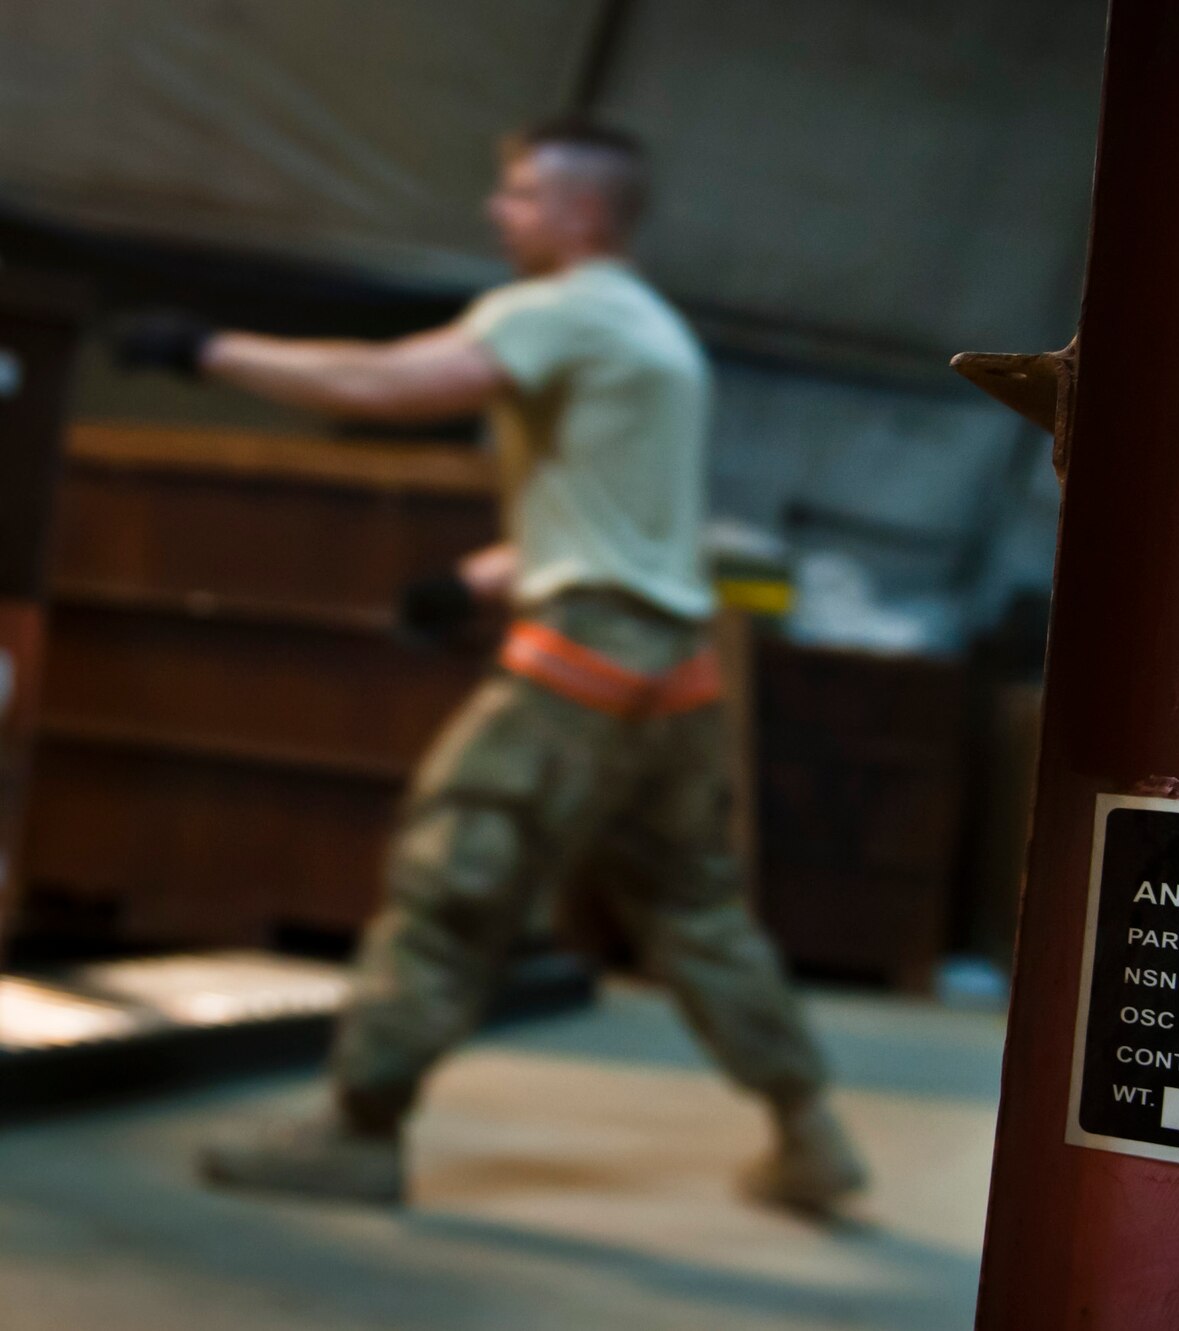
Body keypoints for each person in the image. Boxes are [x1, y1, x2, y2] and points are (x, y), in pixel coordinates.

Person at [112, 117, 865, 1211]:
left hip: (581, 666)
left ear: (583, 213)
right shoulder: (658, 335)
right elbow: (626, 523)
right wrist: (473, 580)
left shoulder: (556, 310)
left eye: (518, 194)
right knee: (694, 910)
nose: (496, 211)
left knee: (448, 881)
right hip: (677, 674)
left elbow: (387, 383)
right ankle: (811, 1132)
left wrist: (204, 350)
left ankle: (358, 1131)